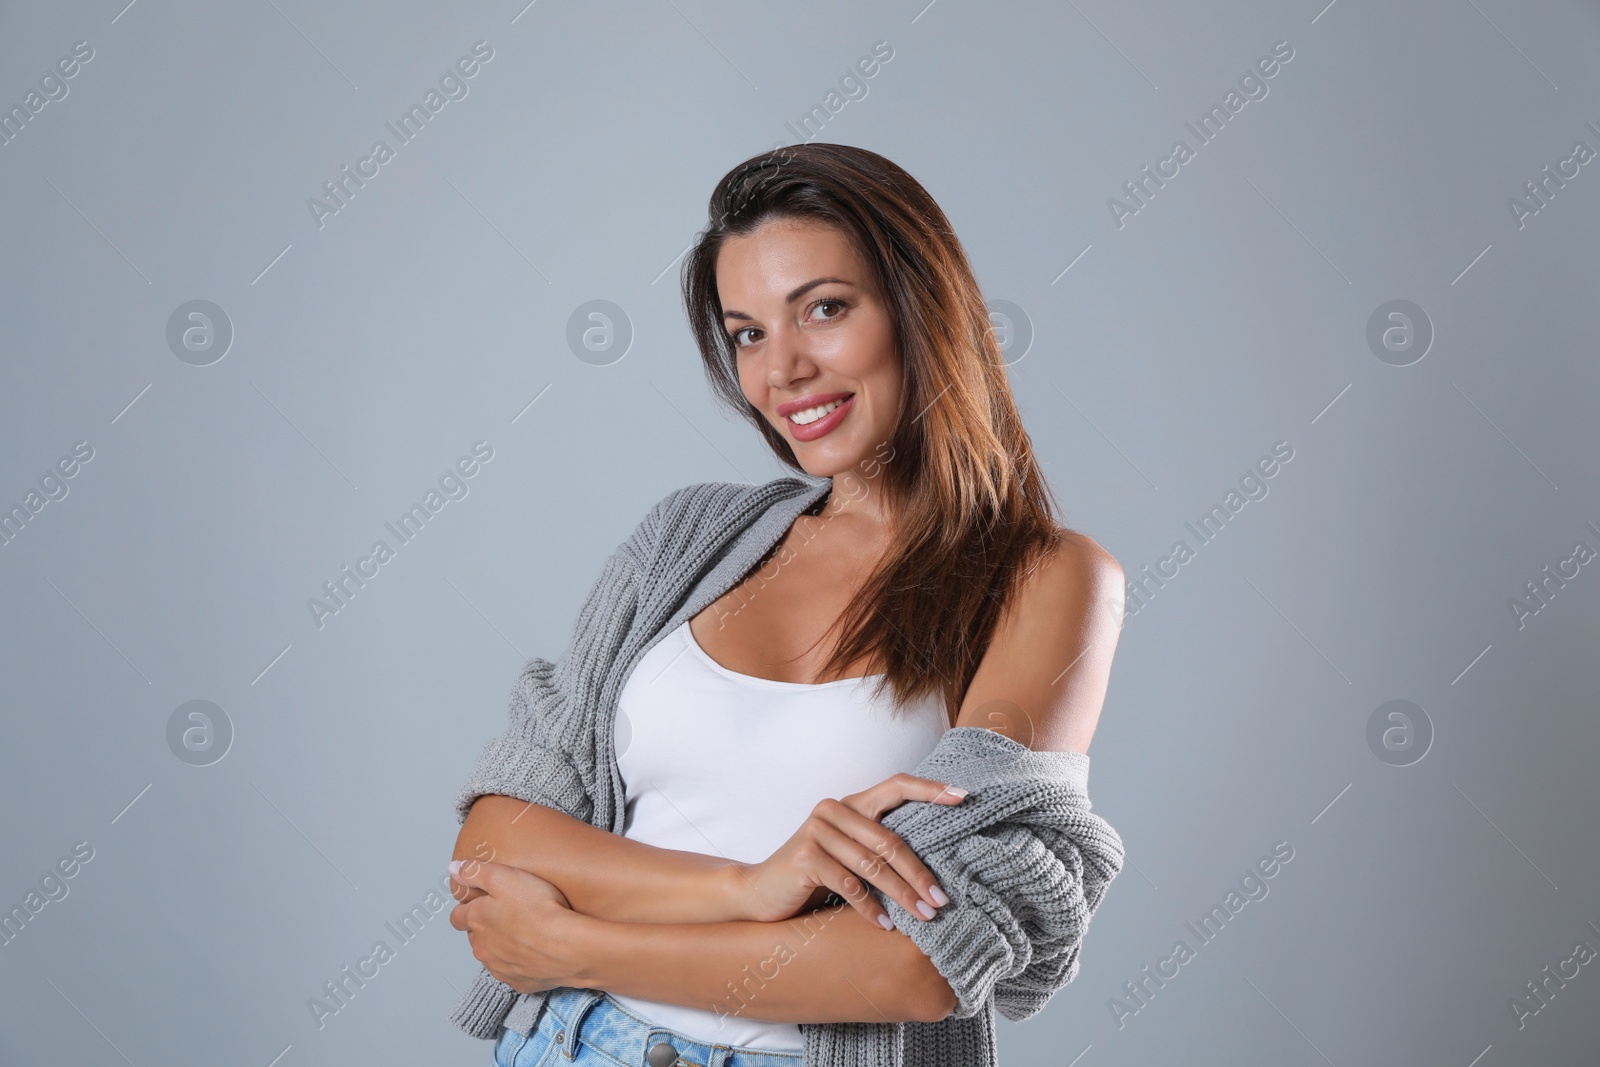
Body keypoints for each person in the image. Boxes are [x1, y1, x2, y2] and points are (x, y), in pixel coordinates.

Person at [446, 142, 1128, 1067]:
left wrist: (573, 943)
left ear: (922, 308)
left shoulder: (1043, 579)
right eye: (749, 333)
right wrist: (749, 885)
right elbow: (502, 829)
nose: (785, 370)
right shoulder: (688, 538)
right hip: (575, 1043)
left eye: (825, 309)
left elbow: (920, 962)